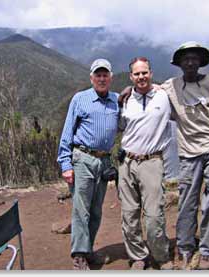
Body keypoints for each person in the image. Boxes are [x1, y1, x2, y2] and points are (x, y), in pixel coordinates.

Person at [119, 41, 209, 270]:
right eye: (186, 59)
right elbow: (145, 88)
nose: (190, 62)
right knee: (186, 203)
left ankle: (206, 251)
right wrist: (127, 90)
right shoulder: (170, 87)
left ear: (200, 62)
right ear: (180, 64)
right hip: (188, 153)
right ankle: (184, 247)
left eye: (194, 58)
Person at [57, 58, 118, 270]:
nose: (101, 79)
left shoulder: (117, 101)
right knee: (81, 210)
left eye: (105, 75)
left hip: (104, 161)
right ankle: (79, 256)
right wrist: (65, 164)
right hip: (82, 158)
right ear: (91, 78)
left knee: (96, 210)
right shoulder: (80, 99)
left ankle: (88, 249)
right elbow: (67, 132)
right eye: (97, 75)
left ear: (110, 78)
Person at [118, 57, 174, 270]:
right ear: (131, 76)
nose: (141, 77)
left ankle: (161, 256)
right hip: (127, 162)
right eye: (136, 74)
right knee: (129, 214)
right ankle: (138, 256)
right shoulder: (124, 99)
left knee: (153, 215)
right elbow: (120, 125)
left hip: (152, 162)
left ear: (151, 73)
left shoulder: (164, 95)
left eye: (144, 72)